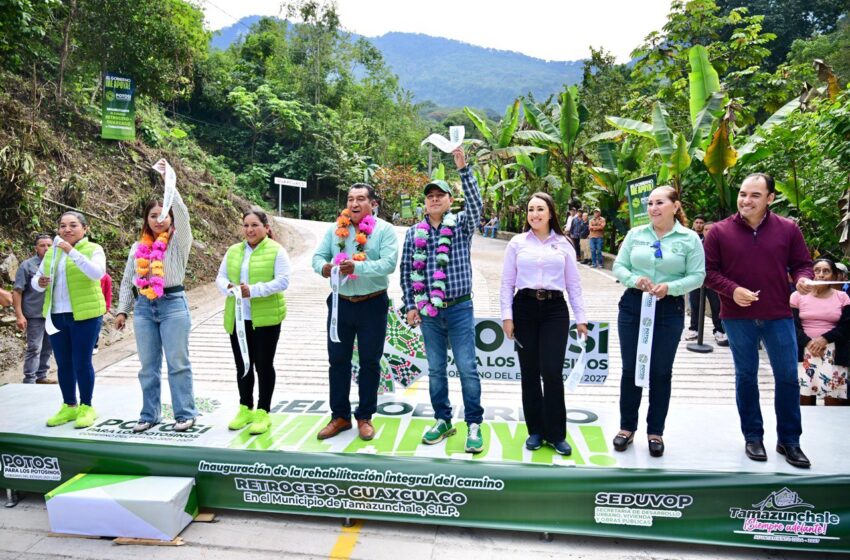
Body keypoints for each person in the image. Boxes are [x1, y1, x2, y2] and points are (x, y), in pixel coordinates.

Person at [704, 173, 814, 468]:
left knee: (788, 378)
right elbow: (708, 272)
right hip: (737, 317)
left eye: (754, 195)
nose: (746, 200)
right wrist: (732, 290)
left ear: (770, 198)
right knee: (746, 376)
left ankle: (789, 441)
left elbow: (803, 264)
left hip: (778, 314)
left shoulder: (788, 229)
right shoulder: (718, 232)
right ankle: (752, 436)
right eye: (742, 194)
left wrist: (803, 279)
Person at [401, 147, 485, 453]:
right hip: (428, 311)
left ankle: (474, 423)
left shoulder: (461, 226)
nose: (435, 199)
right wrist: (411, 305)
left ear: (450, 200)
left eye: (441, 194)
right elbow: (407, 270)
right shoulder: (414, 234)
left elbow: (477, 205)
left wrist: (464, 170)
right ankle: (443, 419)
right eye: (430, 195)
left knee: (466, 366)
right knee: (436, 369)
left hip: (460, 307)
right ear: (425, 202)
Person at [612, 186, 705, 457]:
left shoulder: (689, 239)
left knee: (661, 372)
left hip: (669, 308)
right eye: (650, 203)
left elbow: (697, 276)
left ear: (675, 206)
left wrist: (670, 287)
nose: (653, 208)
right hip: (633, 305)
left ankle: (656, 432)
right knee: (631, 368)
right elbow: (619, 266)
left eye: (660, 202)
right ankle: (626, 427)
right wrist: (633, 280)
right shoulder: (635, 234)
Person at [501, 192, 587, 455]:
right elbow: (506, 283)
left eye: (540, 209)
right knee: (529, 372)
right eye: (530, 210)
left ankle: (556, 434)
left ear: (551, 212)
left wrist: (581, 318)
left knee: (551, 372)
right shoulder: (517, 243)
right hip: (524, 308)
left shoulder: (564, 244)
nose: (534, 214)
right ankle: (535, 431)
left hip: (555, 310)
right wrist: (507, 316)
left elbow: (574, 284)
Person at [115, 160, 198, 433]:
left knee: (177, 363)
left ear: (171, 218)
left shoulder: (179, 242)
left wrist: (169, 180)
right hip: (143, 308)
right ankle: (149, 415)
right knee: (147, 366)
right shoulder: (138, 247)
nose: (159, 219)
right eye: (153, 215)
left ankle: (184, 413)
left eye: (164, 214)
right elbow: (128, 279)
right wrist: (122, 310)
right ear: (146, 220)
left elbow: (183, 214)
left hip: (173, 304)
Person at [312, 184, 398, 441]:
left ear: (373, 203)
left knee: (370, 362)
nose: (354, 204)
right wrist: (324, 268)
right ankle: (339, 416)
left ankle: (365, 416)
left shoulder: (385, 230)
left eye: (361, 199)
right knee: (337, 360)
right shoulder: (335, 228)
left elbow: (388, 264)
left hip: (372, 303)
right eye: (350, 199)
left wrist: (357, 269)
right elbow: (317, 257)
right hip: (340, 303)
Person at [218, 208, 291, 436]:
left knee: (263, 365)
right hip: (239, 318)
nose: (249, 230)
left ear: (266, 228)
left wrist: (254, 291)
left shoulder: (276, 251)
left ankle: (263, 411)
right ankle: (245, 407)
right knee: (243, 365)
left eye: (255, 225)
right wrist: (229, 288)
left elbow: (283, 281)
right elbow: (219, 277)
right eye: (246, 225)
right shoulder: (233, 251)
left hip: (266, 319)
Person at [31, 211, 106, 428]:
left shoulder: (94, 249)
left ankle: (87, 406)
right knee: (63, 363)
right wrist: (41, 282)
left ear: (85, 229)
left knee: (82, 362)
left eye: (73, 225)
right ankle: (69, 406)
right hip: (56, 315)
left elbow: (96, 274)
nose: (67, 229)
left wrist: (71, 252)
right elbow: (36, 282)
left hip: (85, 315)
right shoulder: (51, 253)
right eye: (63, 226)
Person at [791, 258, 849, 406]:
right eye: (817, 271)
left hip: (834, 352)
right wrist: (809, 342)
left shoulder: (843, 298)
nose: (821, 275)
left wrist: (824, 339)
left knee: (833, 401)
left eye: (826, 271)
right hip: (805, 351)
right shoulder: (797, 296)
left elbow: (847, 326)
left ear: (834, 276)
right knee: (804, 400)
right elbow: (791, 325)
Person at [13, 234, 56, 384]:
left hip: (53, 313)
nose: (46, 248)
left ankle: (41, 376)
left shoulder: (57, 263)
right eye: (42, 245)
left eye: (49, 245)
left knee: (48, 347)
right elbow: (17, 291)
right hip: (34, 314)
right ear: (36, 248)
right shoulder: (27, 265)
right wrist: (19, 315)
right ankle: (29, 379)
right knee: (34, 348)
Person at [684, 215, 727, 346]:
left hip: (714, 281)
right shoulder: (696, 243)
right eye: (706, 229)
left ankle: (719, 330)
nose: (708, 231)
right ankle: (694, 329)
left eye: (711, 229)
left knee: (716, 306)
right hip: (697, 280)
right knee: (695, 305)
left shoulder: (722, 245)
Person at [93, 273, 112, 355]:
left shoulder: (106, 277)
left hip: (99, 306)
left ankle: (94, 345)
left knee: (95, 327)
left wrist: (107, 306)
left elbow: (108, 293)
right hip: (89, 305)